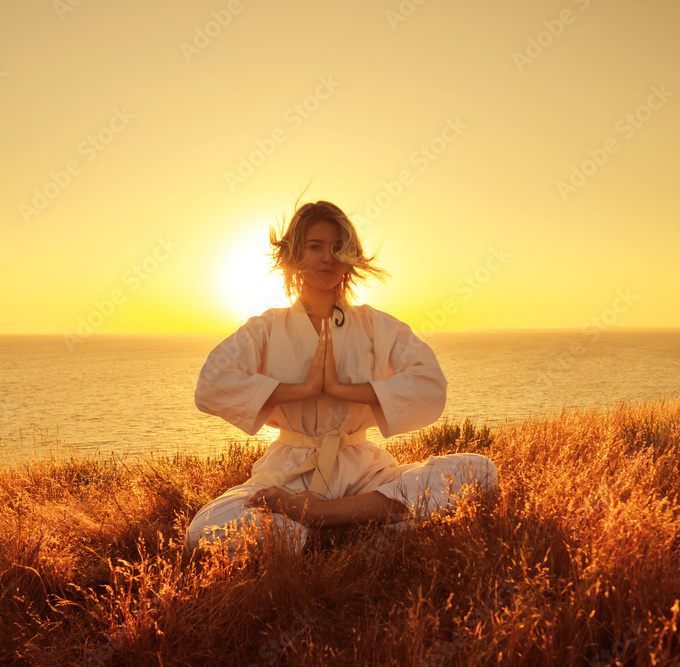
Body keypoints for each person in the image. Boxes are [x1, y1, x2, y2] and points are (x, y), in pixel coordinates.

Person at [186, 200, 498, 556]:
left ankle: (321, 517)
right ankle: (352, 528)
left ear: (350, 256)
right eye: (314, 247)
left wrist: (344, 390)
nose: (327, 258)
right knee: (204, 532)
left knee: (479, 470)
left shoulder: (375, 325)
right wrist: (299, 390)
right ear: (293, 255)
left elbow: (430, 386)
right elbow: (210, 385)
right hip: (289, 472)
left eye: (337, 248)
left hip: (363, 471)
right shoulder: (266, 328)